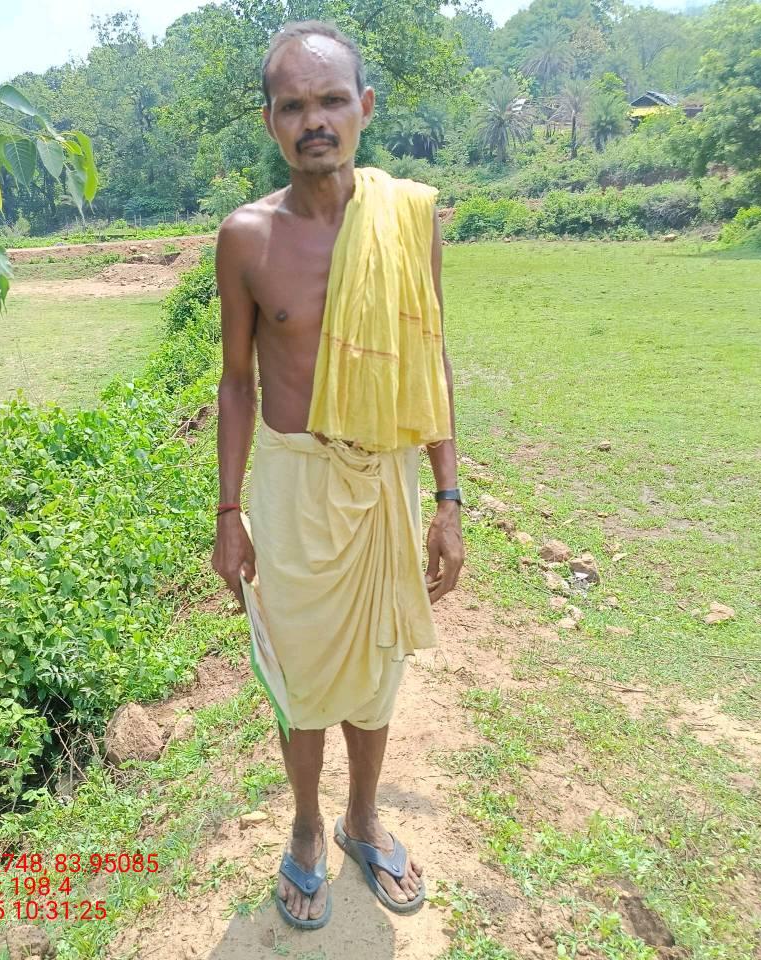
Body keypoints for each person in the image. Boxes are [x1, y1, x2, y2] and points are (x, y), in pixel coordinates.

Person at [210, 19, 464, 930]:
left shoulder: (407, 219)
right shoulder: (246, 238)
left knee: (377, 668)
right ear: (270, 121)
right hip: (292, 485)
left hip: (385, 477)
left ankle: (361, 817)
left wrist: (448, 499)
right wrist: (228, 511)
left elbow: (431, 359)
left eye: (330, 100)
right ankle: (307, 826)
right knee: (301, 672)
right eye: (293, 105)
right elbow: (236, 383)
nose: (313, 120)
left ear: (364, 107)